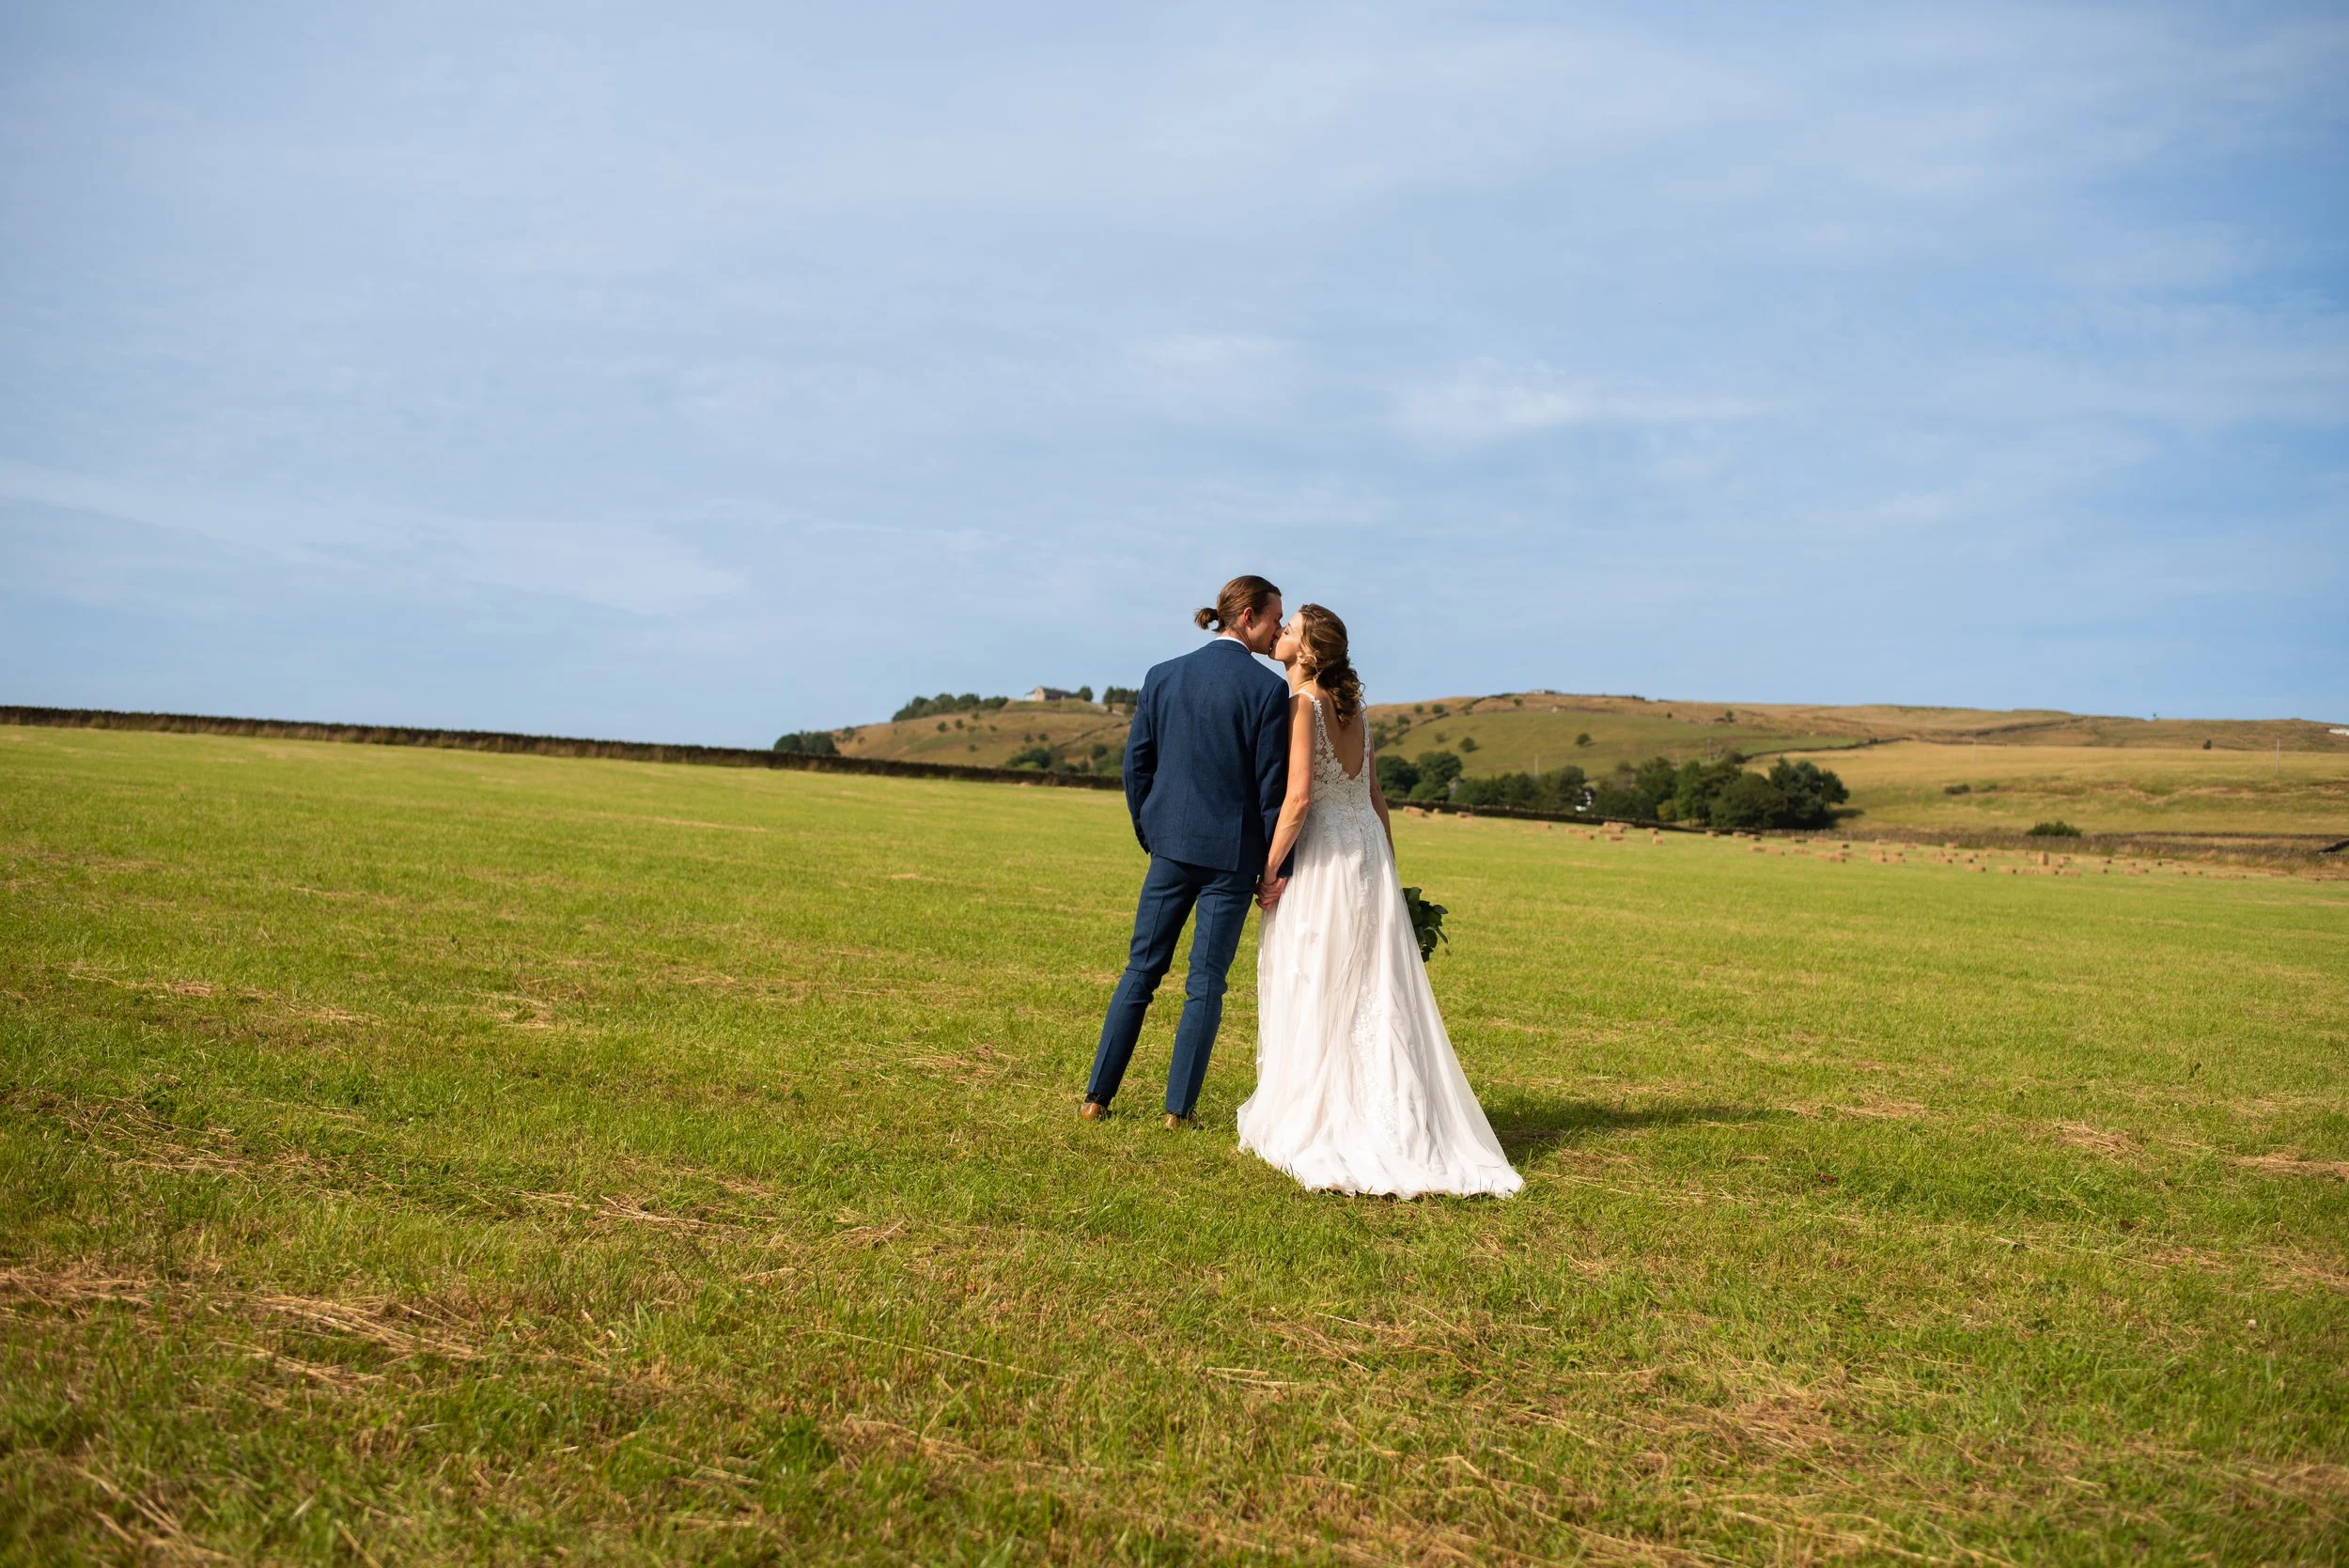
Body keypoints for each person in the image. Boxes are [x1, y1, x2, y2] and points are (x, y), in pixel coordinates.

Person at [1238, 604, 1522, 1198]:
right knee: (1372, 981)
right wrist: (1389, 869)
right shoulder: (1357, 713)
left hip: (1323, 858)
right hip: (1366, 852)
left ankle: (1326, 1113)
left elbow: (1296, 802)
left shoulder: (1302, 706)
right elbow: (1375, 798)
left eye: (1289, 631)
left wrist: (1266, 871)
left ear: (1309, 652)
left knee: (1319, 974)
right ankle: (1396, 1110)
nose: (1281, 634)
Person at [1082, 576, 1291, 1129]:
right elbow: (1272, 789)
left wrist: (1150, 830)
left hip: (1168, 849)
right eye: (1275, 618)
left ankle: (1096, 1098)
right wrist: (1278, 868)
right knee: (1205, 985)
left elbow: (1137, 766)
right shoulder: (1267, 690)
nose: (1280, 629)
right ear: (1247, 616)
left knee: (1140, 972)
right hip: (1232, 857)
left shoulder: (1162, 674)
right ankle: (1178, 1113)